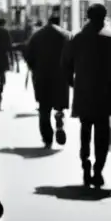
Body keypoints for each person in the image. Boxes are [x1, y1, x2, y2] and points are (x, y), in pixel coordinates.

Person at [61, 2, 111, 188]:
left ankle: (85, 161)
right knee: (102, 131)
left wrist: (73, 82)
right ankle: (98, 169)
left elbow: (65, 64)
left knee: (85, 128)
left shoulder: (76, 37)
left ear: (87, 16)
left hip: (84, 89)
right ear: (105, 15)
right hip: (107, 90)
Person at [23, 10, 72, 148]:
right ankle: (59, 116)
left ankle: (47, 138)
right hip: (60, 76)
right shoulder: (65, 35)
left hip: (42, 76)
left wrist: (34, 68)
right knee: (59, 102)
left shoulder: (36, 36)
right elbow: (72, 56)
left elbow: (28, 55)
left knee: (44, 109)